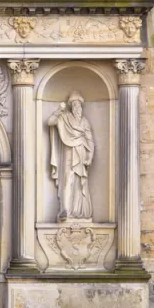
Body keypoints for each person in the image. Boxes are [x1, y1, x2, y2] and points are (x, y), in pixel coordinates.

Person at [47, 91, 94, 221]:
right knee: (68, 181)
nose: (76, 107)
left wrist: (89, 156)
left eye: (78, 105)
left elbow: (90, 140)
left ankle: (78, 211)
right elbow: (50, 122)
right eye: (74, 105)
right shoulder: (65, 117)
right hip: (68, 155)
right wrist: (58, 110)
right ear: (71, 106)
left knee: (80, 184)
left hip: (81, 154)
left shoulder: (84, 122)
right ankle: (65, 210)